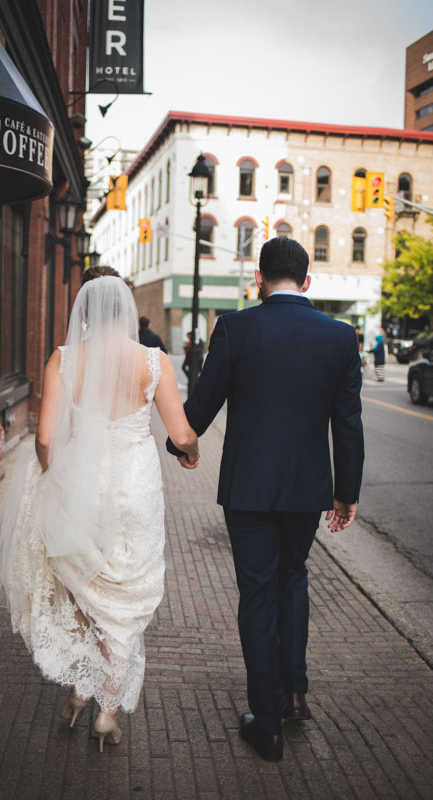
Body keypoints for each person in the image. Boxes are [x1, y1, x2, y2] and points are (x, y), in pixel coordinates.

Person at [0, 266, 198, 753]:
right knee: (122, 597)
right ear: (125, 310)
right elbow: (181, 434)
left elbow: (43, 438)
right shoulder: (153, 360)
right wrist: (193, 449)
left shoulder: (64, 360)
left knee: (80, 585)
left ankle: (81, 689)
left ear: (84, 310)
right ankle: (107, 710)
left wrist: (54, 476)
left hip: (80, 482)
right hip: (134, 488)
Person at [167, 237, 364, 762]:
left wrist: (180, 444)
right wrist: (346, 493)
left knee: (257, 591)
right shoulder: (341, 337)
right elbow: (347, 423)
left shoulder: (237, 328)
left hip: (249, 487)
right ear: (306, 281)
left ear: (258, 279)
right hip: (307, 489)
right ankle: (295, 692)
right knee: (293, 578)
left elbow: (203, 402)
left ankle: (267, 720)